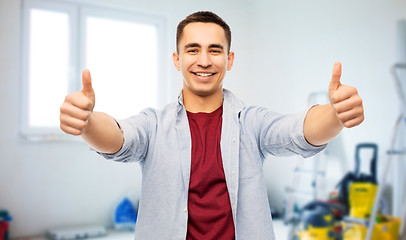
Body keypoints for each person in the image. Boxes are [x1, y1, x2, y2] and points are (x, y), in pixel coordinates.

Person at [59, 11, 364, 240]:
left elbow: (296, 130)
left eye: (214, 50)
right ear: (177, 60)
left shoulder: (252, 122)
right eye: (193, 49)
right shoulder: (154, 124)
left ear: (229, 60)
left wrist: (335, 115)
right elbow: (120, 139)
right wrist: (87, 123)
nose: (204, 60)